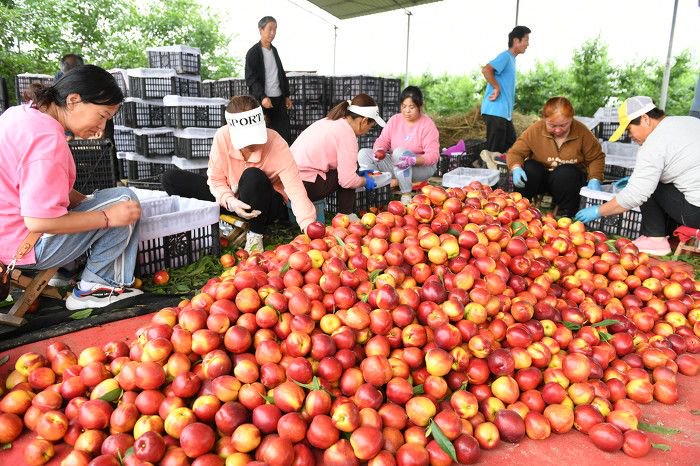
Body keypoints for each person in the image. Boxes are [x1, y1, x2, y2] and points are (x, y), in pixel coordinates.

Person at [0, 65, 143, 311]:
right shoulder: (47, 141)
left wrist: (87, 203)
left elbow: (42, 189)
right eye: (102, 116)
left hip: (7, 239)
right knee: (124, 199)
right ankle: (97, 285)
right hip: (27, 246)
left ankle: (65, 273)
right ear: (74, 100)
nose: (101, 129)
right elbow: (39, 221)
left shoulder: (19, 115)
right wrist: (106, 217)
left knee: (104, 202)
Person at [161, 95, 316, 253]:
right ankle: (221, 221)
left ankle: (255, 235)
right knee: (171, 179)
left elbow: (296, 191)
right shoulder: (222, 136)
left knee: (252, 175)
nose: (250, 144)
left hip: (264, 205)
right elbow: (215, 179)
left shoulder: (277, 143)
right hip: (233, 199)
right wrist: (230, 201)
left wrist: (310, 228)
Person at [575, 96, 700, 255]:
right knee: (650, 180)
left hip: (697, 212)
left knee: (647, 185)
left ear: (645, 118)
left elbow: (635, 195)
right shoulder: (687, 121)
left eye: (629, 129)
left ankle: (655, 239)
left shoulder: (654, 143)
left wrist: (598, 211)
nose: (630, 137)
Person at [506, 96, 605, 217]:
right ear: (544, 119)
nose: (558, 130)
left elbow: (596, 157)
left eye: (563, 125)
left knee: (566, 172)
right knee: (530, 167)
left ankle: (566, 215)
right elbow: (515, 152)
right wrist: (516, 168)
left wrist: (595, 178)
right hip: (541, 179)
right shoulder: (535, 130)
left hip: (568, 183)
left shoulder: (582, 132)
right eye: (552, 126)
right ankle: (519, 209)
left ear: (571, 119)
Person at [291, 94, 386, 215]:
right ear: (364, 121)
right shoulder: (347, 134)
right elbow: (347, 181)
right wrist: (365, 181)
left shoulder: (331, 121)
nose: (368, 131)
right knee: (352, 169)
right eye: (370, 127)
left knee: (350, 168)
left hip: (289, 181)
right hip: (303, 186)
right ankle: (345, 215)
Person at [357, 86, 439, 205]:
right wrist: (379, 150)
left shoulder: (427, 125)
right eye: (403, 106)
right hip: (398, 164)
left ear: (420, 106)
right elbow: (382, 140)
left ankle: (406, 195)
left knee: (399, 152)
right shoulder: (395, 120)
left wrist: (413, 160)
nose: (407, 111)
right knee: (364, 153)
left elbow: (433, 156)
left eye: (411, 107)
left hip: (421, 168)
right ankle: (377, 190)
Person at [481, 25, 531, 154]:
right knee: (495, 152)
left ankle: (483, 162)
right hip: (495, 110)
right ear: (516, 41)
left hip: (503, 114)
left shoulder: (512, 59)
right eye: (526, 40)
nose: (528, 44)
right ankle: (485, 167)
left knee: (511, 145)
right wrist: (496, 87)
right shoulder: (505, 56)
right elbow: (486, 70)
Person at [245, 16, 293, 145]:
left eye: (275, 29)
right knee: (261, 136)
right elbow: (251, 79)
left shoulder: (274, 51)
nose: (273, 33)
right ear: (261, 30)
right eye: (270, 29)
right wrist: (262, 97)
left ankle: (283, 163)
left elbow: (281, 74)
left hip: (278, 98)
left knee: (284, 135)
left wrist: (286, 95)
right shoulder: (253, 53)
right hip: (263, 101)